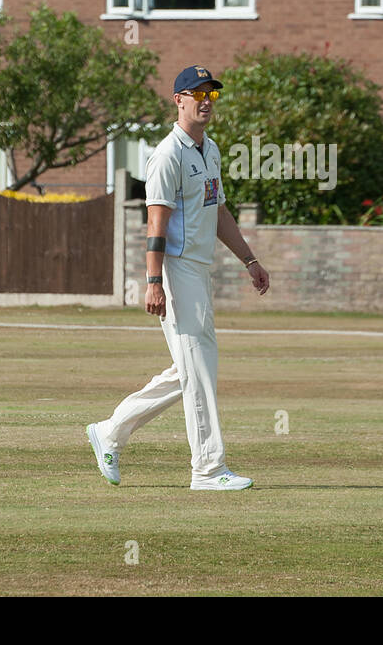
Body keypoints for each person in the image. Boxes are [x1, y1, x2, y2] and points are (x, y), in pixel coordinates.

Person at [86, 65, 270, 490]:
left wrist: (249, 260)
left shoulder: (211, 150)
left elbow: (219, 212)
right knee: (199, 370)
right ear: (179, 100)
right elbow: (156, 223)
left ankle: (110, 432)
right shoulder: (167, 154)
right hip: (176, 269)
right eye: (197, 93)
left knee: (191, 368)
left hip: (199, 271)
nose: (206, 101)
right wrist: (153, 283)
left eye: (212, 95)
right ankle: (207, 469)